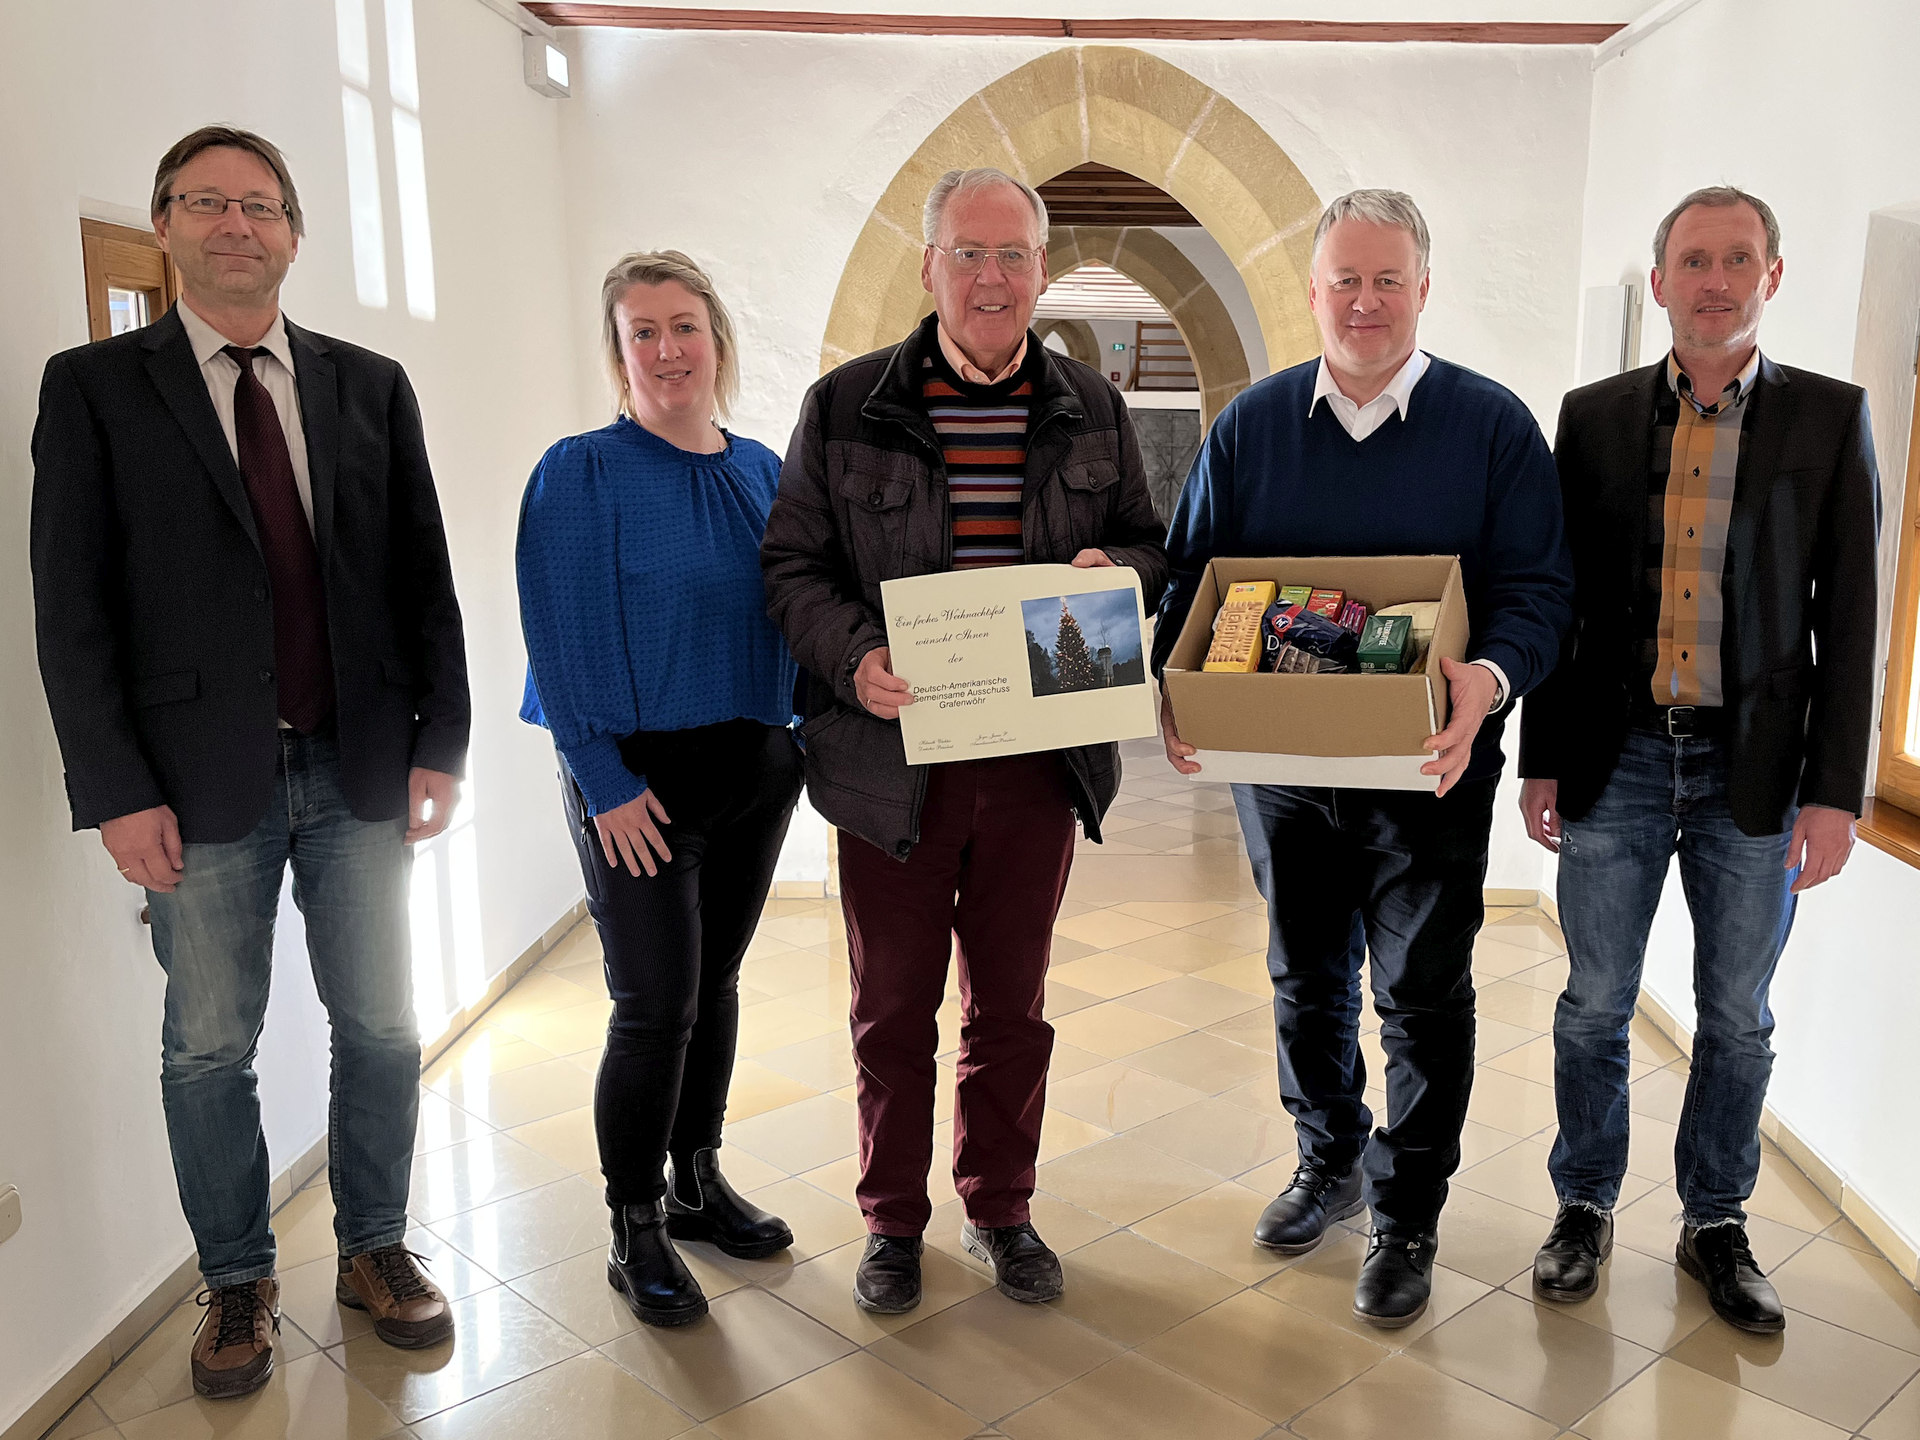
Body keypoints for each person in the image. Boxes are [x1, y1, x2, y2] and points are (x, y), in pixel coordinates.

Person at [31, 126, 467, 1398]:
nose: (237, 225)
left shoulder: (368, 383)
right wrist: (113, 789)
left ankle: (373, 1247)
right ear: (163, 223)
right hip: (192, 784)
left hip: (359, 763)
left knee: (382, 1027)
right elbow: (73, 608)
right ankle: (236, 1275)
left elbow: (419, 572)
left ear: (293, 232)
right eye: (207, 202)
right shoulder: (95, 388)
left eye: (261, 205)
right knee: (208, 1047)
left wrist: (441, 739)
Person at [1155, 189, 1574, 1327]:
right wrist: (1169, 683)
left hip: (1430, 768)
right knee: (1304, 976)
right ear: (1313, 292)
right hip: (1281, 770)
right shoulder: (1250, 428)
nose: (1365, 301)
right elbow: (1191, 582)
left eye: (1388, 279)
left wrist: (1486, 680)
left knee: (1422, 996)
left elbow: (1541, 593)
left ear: (1425, 289)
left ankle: (1408, 1211)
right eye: (1345, 278)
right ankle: (1327, 1157)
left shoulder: (1491, 427)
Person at [761, 168, 1167, 1313]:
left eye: (1014, 255)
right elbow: (791, 566)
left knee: (1011, 1009)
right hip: (892, 770)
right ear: (931, 264)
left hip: (1038, 768)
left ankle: (1001, 1205)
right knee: (891, 1011)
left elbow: (1147, 546)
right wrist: (854, 660)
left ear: (1043, 269)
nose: (992, 278)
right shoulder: (848, 404)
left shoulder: (1092, 402)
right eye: (969, 253)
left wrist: (1119, 576)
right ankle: (893, 1221)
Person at [1519, 187, 1880, 1334]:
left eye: (1737, 259)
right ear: (1662, 277)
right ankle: (1582, 1205)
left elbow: (1854, 617)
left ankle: (1714, 1223)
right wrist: (1544, 758)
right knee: (1592, 1004)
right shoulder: (1594, 416)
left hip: (1757, 777)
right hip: (1616, 759)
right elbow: (1558, 604)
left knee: (1738, 1017)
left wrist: (1835, 788)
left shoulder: (1830, 419)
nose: (1713, 279)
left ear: (1772, 276)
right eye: (1692, 260)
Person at [516, 251, 802, 1328]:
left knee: (714, 986)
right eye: (644, 332)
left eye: (684, 326)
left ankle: (695, 1181)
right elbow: (561, 633)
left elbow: (794, 610)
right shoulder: (580, 471)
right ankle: (631, 1222)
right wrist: (603, 782)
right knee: (653, 1008)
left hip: (754, 764)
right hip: (636, 780)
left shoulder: (762, 470)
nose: (668, 349)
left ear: (717, 340)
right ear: (619, 352)